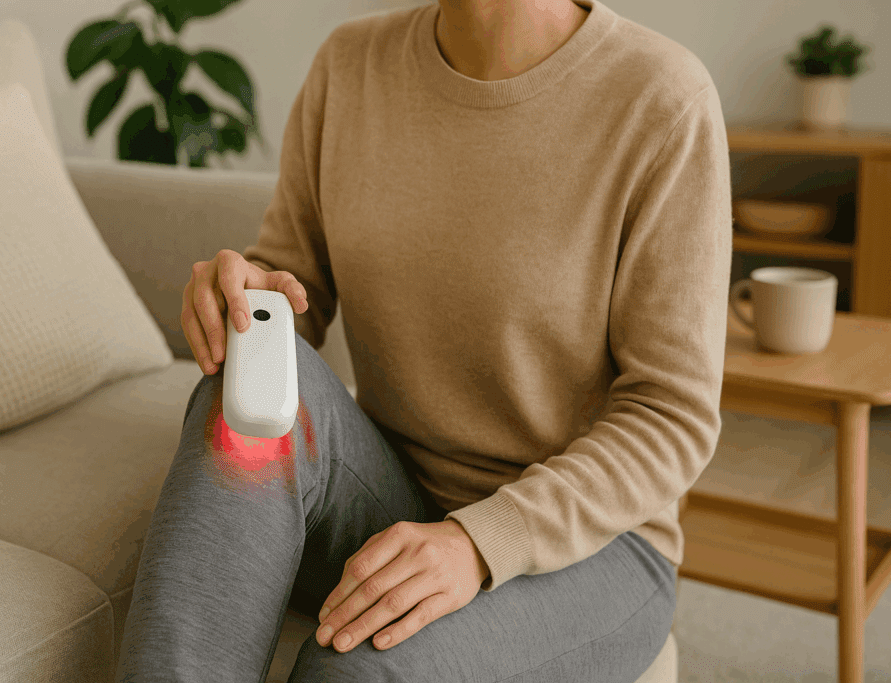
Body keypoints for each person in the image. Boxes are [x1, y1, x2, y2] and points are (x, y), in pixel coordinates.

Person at [116, 0, 732, 680]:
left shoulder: (662, 98)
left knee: (353, 673)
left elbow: (671, 415)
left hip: (591, 546)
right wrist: (245, 293)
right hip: (395, 494)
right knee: (244, 385)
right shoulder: (349, 66)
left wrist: (479, 541)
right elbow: (298, 291)